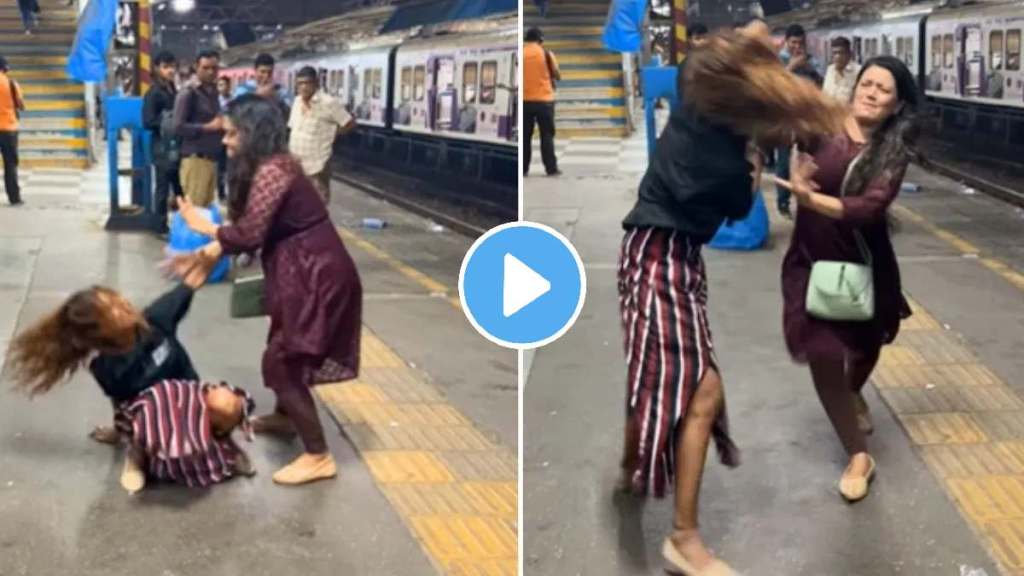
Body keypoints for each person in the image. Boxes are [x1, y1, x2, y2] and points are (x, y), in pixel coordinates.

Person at [617, 22, 843, 576]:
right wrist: (757, 155)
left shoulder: (699, 105)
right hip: (659, 257)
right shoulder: (723, 151)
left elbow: (706, 65)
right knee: (702, 390)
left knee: (661, 373)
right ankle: (683, 538)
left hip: (667, 256)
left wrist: (752, 49)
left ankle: (630, 469)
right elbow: (739, 204)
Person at [171, 95, 363, 486]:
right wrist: (209, 251)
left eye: (232, 133)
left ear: (253, 133)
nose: (225, 141)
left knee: (285, 361)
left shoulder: (275, 169)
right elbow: (256, 228)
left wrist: (204, 226)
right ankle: (286, 417)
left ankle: (318, 455)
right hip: (303, 269)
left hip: (315, 273)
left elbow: (249, 234)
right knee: (286, 344)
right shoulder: (270, 167)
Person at [777, 56, 921, 503]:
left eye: (883, 89)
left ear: (897, 105)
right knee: (823, 352)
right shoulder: (822, 122)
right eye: (867, 83)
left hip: (864, 263)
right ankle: (859, 455)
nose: (871, 92)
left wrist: (811, 201)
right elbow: (786, 137)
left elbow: (871, 207)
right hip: (811, 261)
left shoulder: (892, 151)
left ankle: (853, 390)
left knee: (865, 346)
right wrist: (790, 167)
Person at [4, 280, 256, 494]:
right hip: (159, 420)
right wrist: (121, 433)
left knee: (226, 403)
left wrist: (214, 249)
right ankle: (139, 456)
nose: (124, 306)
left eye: (118, 301)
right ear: (102, 336)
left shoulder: (155, 319)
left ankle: (222, 444)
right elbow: (122, 405)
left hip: (193, 401)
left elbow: (189, 283)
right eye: (113, 311)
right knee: (160, 407)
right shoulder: (107, 369)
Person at [775, 23, 823, 218]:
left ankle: (806, 203)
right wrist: (792, 66)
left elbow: (820, 85)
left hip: (807, 119)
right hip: (785, 119)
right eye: (793, 42)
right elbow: (773, 85)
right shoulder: (777, 60)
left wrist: (809, 68)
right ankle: (783, 202)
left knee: (808, 161)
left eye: (800, 43)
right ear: (786, 41)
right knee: (784, 163)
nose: (797, 46)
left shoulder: (811, 61)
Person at [289, 66, 356, 203]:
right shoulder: (296, 102)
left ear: (316, 83)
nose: (304, 87)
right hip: (297, 166)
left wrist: (333, 134)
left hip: (317, 165)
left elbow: (349, 123)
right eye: (300, 83)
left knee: (316, 205)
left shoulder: (328, 102)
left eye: (307, 83)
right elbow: (293, 127)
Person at [173, 51, 224, 208]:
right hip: (195, 160)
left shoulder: (213, 92)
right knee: (194, 210)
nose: (210, 72)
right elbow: (178, 126)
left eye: (214, 68)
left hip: (211, 159)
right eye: (205, 68)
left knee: (205, 211)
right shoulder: (189, 93)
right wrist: (207, 127)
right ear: (196, 67)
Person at [143, 50, 183, 234]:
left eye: (173, 66)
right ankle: (159, 226)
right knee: (162, 188)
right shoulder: (154, 93)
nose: (170, 70)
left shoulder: (172, 90)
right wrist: (167, 121)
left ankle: (184, 223)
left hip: (174, 145)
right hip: (161, 146)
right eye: (166, 67)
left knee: (179, 185)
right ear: (157, 68)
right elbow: (147, 121)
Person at [524, 28, 561, 177]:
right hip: (545, 101)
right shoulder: (546, 54)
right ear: (541, 40)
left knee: (525, 137)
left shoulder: (522, 53)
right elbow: (557, 74)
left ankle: (523, 169)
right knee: (547, 135)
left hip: (525, 102)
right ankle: (551, 168)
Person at [0, 56, 24, 206]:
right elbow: (20, 104)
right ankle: (14, 197)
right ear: (5, 68)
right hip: (9, 129)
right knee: (10, 164)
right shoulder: (11, 83)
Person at [823, 36, 861, 103]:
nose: (838, 56)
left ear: (849, 54)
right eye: (835, 53)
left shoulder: (858, 71)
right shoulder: (830, 70)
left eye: (841, 53)